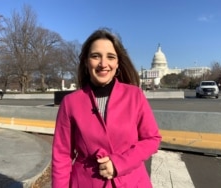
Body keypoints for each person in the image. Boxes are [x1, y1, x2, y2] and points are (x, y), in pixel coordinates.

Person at [52, 28, 162, 188]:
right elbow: (61, 156)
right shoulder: (70, 103)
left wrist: (120, 163)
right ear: (86, 61)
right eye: (96, 56)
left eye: (110, 57)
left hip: (131, 181)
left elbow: (152, 139)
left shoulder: (135, 95)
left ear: (117, 63)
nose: (103, 64)